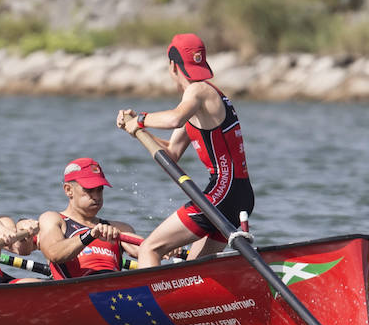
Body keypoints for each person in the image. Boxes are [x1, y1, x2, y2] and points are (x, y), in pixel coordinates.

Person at [116, 32, 254, 267]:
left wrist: (140, 119)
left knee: (150, 247)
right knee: (193, 269)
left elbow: (174, 119)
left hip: (221, 193)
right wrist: (137, 132)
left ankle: (152, 302)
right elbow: (171, 151)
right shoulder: (201, 102)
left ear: (172, 65)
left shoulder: (198, 91)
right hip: (239, 195)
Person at [37, 158, 138, 279]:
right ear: (68, 190)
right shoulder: (53, 219)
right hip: (74, 290)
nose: (96, 197)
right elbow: (54, 253)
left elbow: (147, 250)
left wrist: (160, 246)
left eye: (100, 190)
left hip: (115, 288)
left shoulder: (120, 228)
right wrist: (89, 235)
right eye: (89, 190)